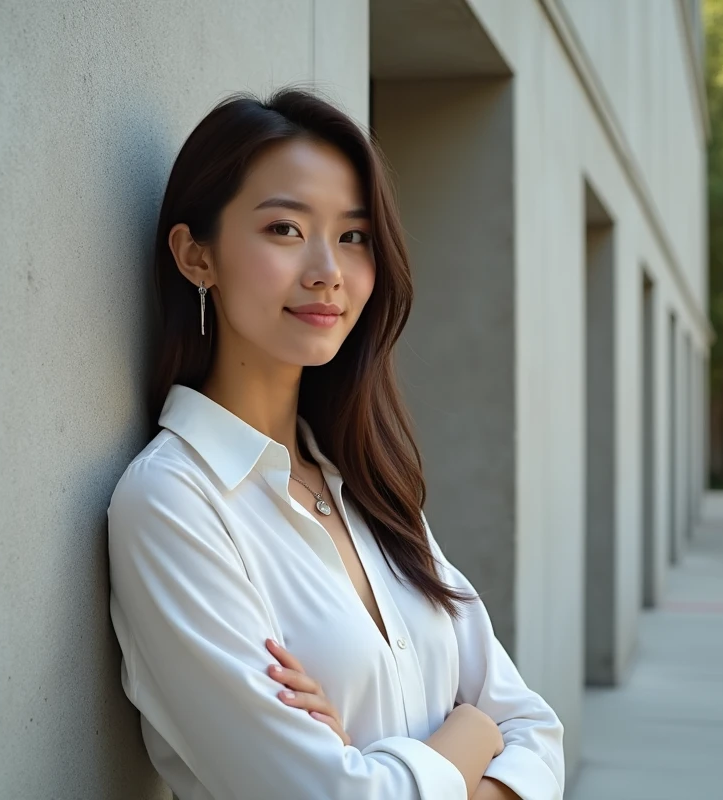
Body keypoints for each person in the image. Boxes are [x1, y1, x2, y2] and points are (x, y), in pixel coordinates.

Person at [107, 89, 564, 800]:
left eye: (354, 236)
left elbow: (536, 727)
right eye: (285, 229)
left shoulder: (366, 489)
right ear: (197, 257)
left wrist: (386, 763)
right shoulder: (172, 503)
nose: (329, 270)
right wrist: (471, 734)